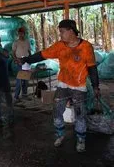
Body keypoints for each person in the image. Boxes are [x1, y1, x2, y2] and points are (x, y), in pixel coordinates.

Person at [18, 19, 100, 152]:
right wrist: (26, 59)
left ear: (71, 31)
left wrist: (96, 86)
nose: (60, 34)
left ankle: (80, 138)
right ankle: (60, 135)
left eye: (62, 31)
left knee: (80, 114)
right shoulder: (59, 46)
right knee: (57, 111)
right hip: (63, 85)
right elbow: (42, 55)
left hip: (79, 87)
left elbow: (92, 68)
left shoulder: (86, 47)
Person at [12, 27, 31, 101]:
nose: (21, 34)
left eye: (22, 33)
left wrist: (30, 59)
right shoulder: (15, 42)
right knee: (19, 80)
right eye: (19, 33)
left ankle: (24, 95)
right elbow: (13, 53)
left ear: (24, 34)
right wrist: (16, 60)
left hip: (26, 62)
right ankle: (16, 97)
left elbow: (29, 52)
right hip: (20, 62)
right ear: (18, 34)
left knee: (26, 80)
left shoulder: (27, 42)